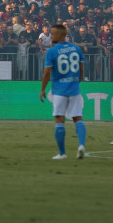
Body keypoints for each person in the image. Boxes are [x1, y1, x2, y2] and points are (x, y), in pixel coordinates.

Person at [39, 24, 87, 160]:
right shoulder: (76, 49)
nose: (51, 36)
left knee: (59, 120)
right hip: (74, 89)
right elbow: (81, 69)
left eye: (53, 34)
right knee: (78, 118)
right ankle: (81, 145)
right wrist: (78, 82)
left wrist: (42, 89)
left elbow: (47, 72)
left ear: (60, 35)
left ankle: (62, 153)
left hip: (59, 90)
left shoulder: (52, 52)